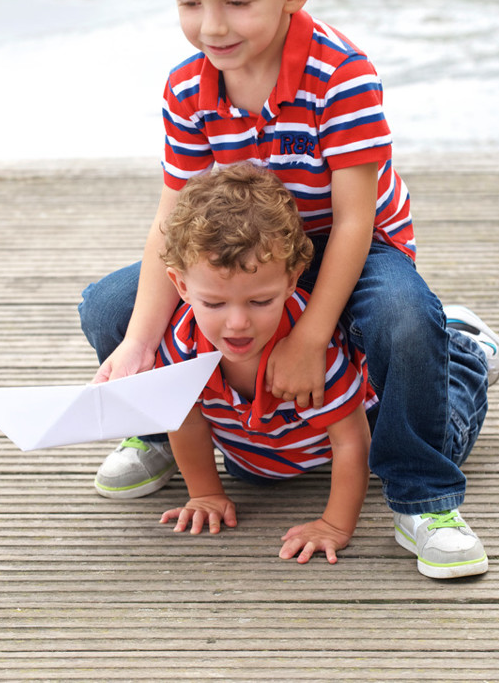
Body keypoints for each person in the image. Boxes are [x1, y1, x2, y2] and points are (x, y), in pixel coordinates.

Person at [78, 0, 499, 578]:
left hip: (347, 242)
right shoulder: (188, 90)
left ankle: (422, 493)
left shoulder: (340, 74)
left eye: (237, 3)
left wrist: (310, 335)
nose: (211, 26)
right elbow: (173, 219)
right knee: (111, 306)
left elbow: (352, 221)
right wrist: (138, 348)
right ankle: (160, 425)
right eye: (189, 3)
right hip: (245, 251)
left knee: (401, 319)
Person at [156, 163, 374, 564]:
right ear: (182, 286)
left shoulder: (312, 351)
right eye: (214, 303)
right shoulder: (182, 344)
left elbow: (351, 440)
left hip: (350, 434)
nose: (237, 323)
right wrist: (205, 493)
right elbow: (185, 419)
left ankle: (466, 354)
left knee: (441, 431)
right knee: (251, 474)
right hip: (259, 461)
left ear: (292, 281)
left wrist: (335, 525)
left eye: (260, 302)